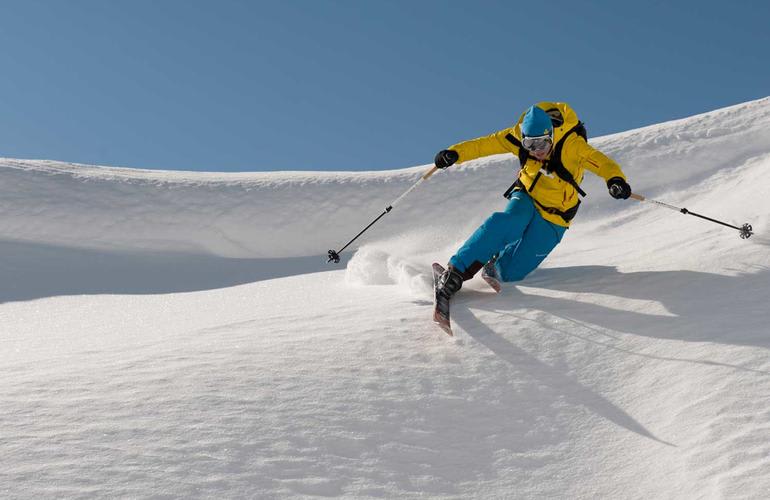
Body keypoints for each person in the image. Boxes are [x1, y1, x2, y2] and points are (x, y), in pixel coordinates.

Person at [432, 101, 631, 301]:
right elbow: (484, 145)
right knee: (508, 221)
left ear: (551, 134)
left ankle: (497, 263)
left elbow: (602, 162)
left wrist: (615, 179)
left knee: (511, 273)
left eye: (542, 143)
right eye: (529, 145)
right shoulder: (516, 136)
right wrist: (455, 153)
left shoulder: (572, 145)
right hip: (527, 195)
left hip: (556, 216)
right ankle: (455, 272)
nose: (536, 150)